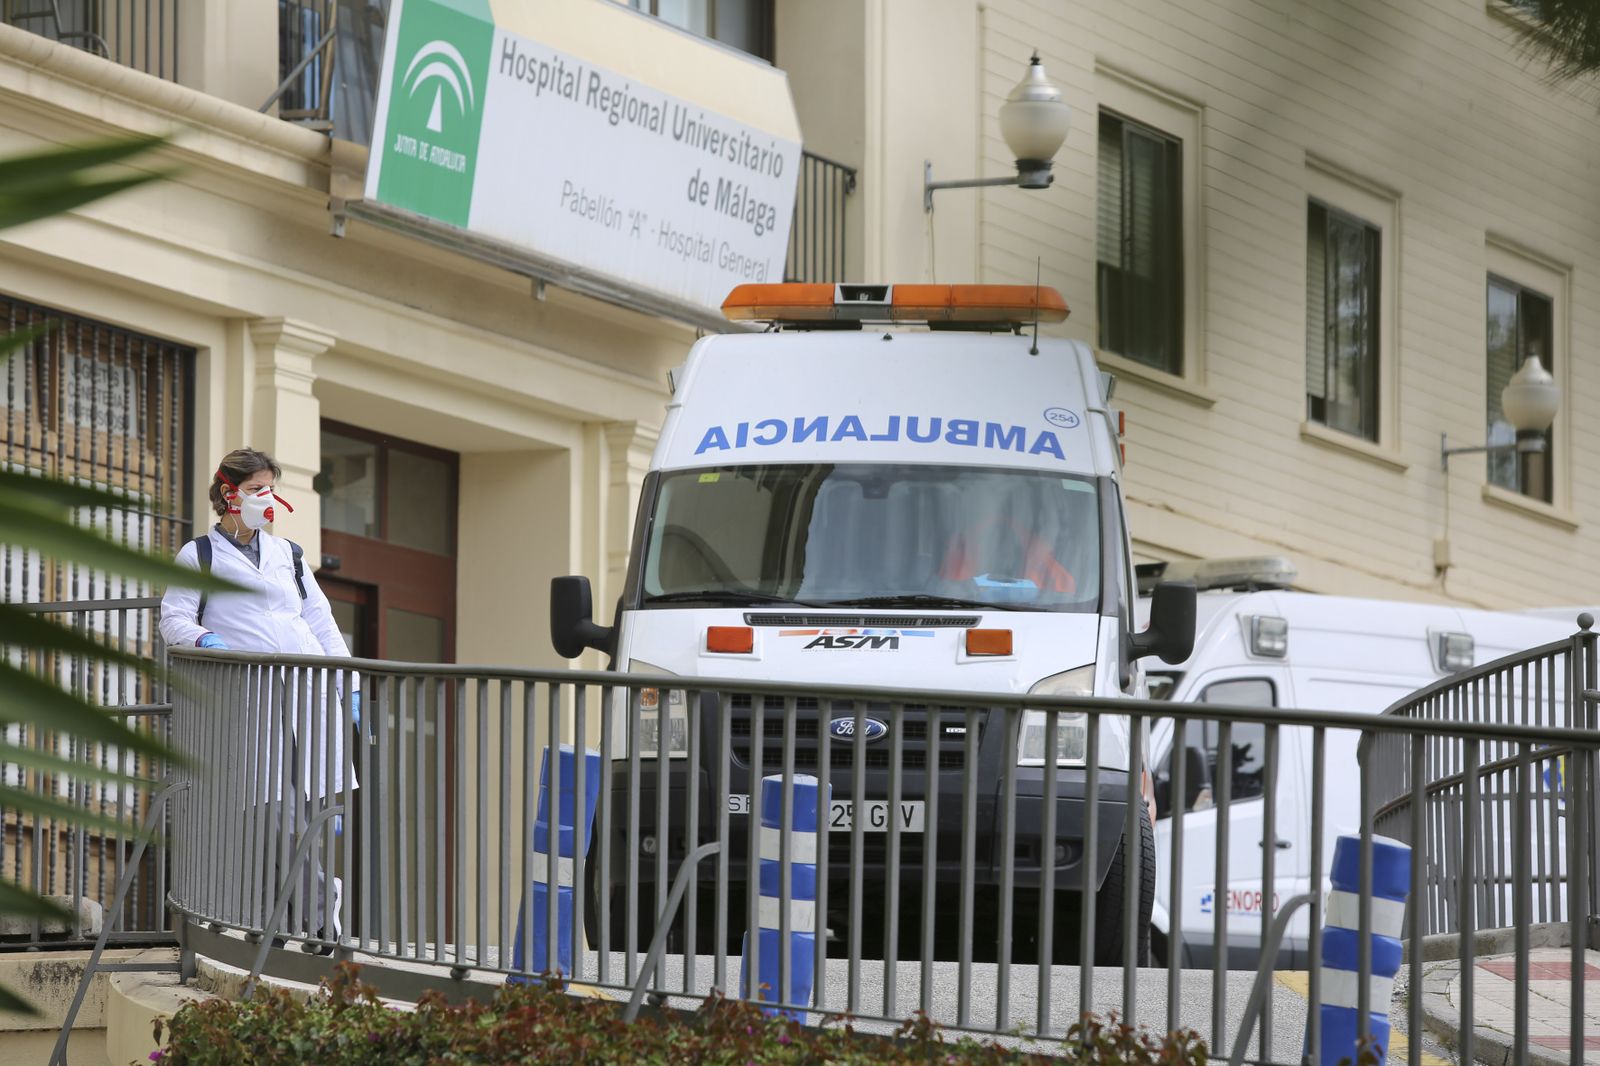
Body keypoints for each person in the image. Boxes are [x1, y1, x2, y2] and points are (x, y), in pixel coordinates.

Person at [159, 447, 357, 949]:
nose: (265, 498)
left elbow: (319, 621)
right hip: (250, 695)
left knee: (301, 803)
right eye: (255, 490)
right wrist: (205, 640)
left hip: (307, 687)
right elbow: (174, 618)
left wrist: (348, 684)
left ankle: (301, 916)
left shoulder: (287, 554)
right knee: (266, 805)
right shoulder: (199, 555)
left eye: (270, 488)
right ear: (229, 494)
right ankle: (317, 901)